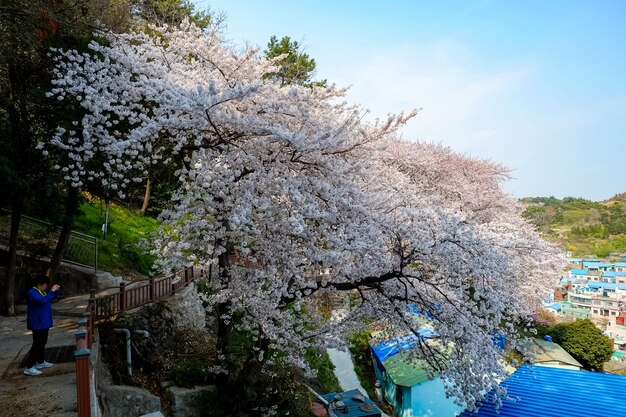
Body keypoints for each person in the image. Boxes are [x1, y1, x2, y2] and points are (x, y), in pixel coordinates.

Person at [23, 274, 60, 376]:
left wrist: (55, 291)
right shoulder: (32, 292)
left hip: (43, 322)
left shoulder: (41, 292)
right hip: (38, 323)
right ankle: (29, 367)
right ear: (39, 284)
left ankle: (40, 361)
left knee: (42, 343)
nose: (46, 287)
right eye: (45, 285)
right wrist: (51, 291)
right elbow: (41, 301)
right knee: (37, 344)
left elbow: (49, 299)